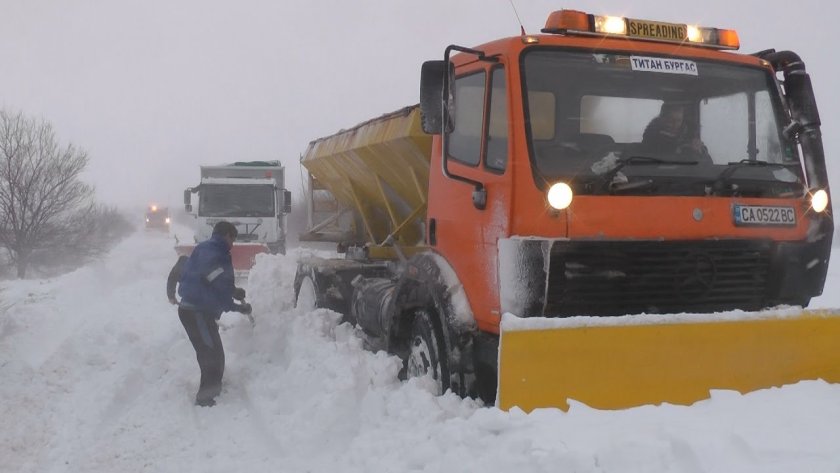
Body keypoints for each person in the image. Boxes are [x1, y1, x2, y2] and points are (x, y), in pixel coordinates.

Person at [168, 221, 251, 407]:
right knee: (209, 354)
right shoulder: (215, 252)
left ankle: (214, 388)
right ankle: (204, 397)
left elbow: (212, 282)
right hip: (195, 312)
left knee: (216, 352)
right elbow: (217, 283)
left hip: (200, 311)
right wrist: (237, 305)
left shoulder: (208, 249)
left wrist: (232, 291)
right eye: (233, 239)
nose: (233, 244)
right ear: (227, 235)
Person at [642, 102, 710, 162]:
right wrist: (679, 150)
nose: (675, 124)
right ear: (662, 119)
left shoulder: (690, 136)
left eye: (678, 120)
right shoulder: (651, 139)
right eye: (671, 120)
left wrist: (700, 151)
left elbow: (708, 165)